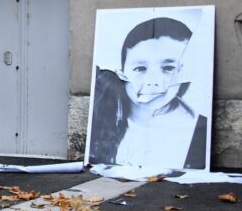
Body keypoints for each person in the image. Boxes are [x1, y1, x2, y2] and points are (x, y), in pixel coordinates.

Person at [87, 17, 207, 170]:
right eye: (140, 68)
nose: (153, 81)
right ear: (122, 73)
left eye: (168, 68)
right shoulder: (101, 120)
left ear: (184, 73)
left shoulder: (199, 131)